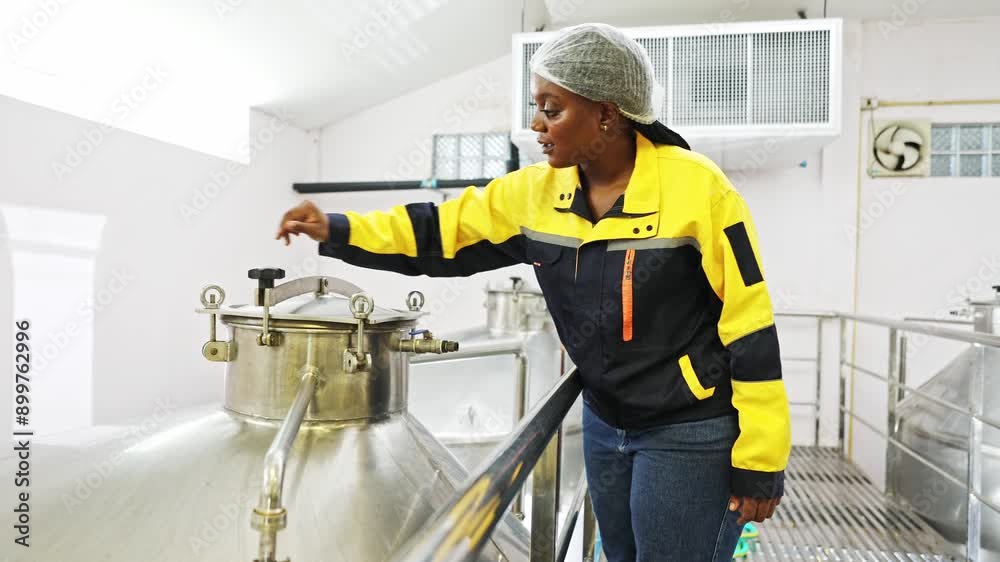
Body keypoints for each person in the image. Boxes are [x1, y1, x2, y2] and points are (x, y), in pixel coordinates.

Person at [275, 22, 789, 562]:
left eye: (551, 109)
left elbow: (749, 323)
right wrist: (337, 229)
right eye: (535, 107)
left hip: (688, 430)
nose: (535, 124)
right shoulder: (536, 194)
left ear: (607, 114)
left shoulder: (699, 190)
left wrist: (761, 458)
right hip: (605, 423)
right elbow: (439, 232)